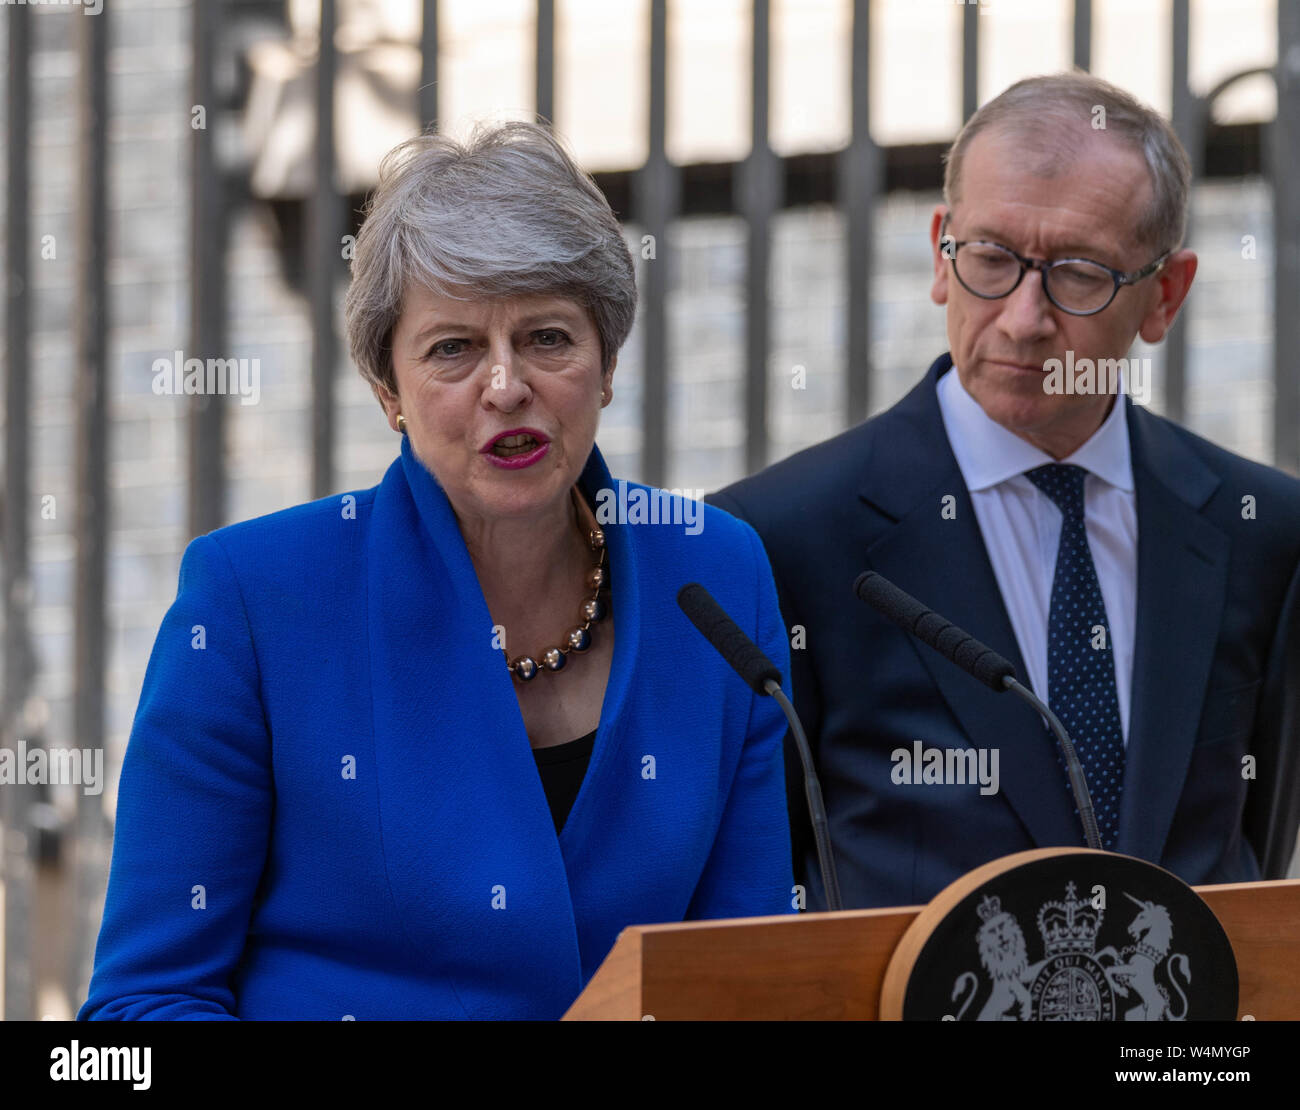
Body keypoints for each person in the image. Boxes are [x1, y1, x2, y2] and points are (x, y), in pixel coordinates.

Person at [79, 121, 794, 1020]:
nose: (505, 386)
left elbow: (754, 979)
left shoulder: (718, 577)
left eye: (547, 337)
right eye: (453, 348)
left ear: (606, 364)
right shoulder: (255, 603)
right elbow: (134, 1017)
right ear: (389, 391)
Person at [711, 73, 1300, 910]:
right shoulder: (778, 536)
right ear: (941, 253)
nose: (1024, 319)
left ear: (1165, 296)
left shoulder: (1266, 532)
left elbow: (1259, 835)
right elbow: (763, 888)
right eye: (991, 258)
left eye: (1079, 273)